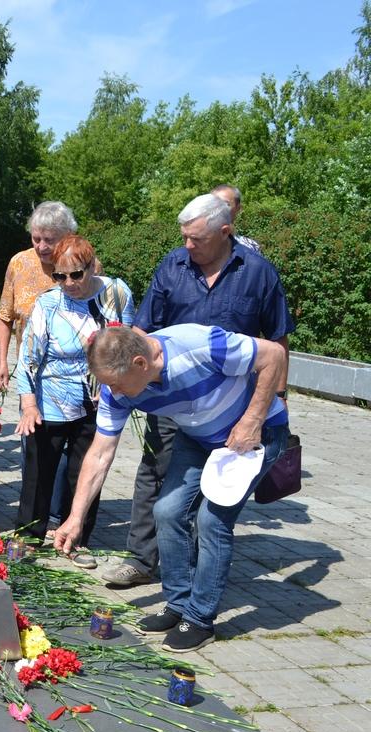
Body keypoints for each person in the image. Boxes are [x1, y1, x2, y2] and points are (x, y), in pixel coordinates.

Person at [53, 324, 290, 652]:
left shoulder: (200, 345)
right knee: (166, 511)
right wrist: (75, 517)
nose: (114, 394)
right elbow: (100, 452)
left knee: (211, 521)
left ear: (140, 363)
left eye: (117, 385)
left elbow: (274, 355)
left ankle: (200, 618)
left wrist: (252, 420)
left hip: (252, 439)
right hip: (197, 439)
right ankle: (178, 604)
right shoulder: (117, 387)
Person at [100, 193, 294, 588]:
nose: (187, 246)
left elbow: (277, 342)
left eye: (196, 239)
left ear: (226, 231)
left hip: (234, 407)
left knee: (210, 503)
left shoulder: (258, 273)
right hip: (166, 390)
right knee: (155, 477)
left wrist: (270, 405)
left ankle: (194, 574)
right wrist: (125, 376)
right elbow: (142, 328)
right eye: (184, 236)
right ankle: (142, 559)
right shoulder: (172, 266)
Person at [13, 235, 134, 565]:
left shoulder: (116, 294)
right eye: (59, 276)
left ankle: (75, 538)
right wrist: (28, 404)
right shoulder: (49, 303)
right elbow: (29, 358)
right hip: (50, 399)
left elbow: (127, 342)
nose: (68, 283)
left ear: (93, 266)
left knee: (85, 472)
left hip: (98, 401)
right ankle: (28, 536)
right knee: (39, 474)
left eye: (76, 275)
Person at [0, 200, 79, 527]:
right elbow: (4, 317)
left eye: (49, 240)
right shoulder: (19, 263)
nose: (42, 246)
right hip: (32, 377)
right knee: (36, 450)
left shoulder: (83, 264)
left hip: (73, 377)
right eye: (36, 238)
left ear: (68, 236)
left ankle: (63, 515)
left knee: (67, 454)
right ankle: (38, 517)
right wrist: (2, 361)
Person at [211, 184, 261, 252]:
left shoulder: (251, 248)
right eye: (213, 203)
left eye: (225, 204)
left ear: (238, 208)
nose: (218, 208)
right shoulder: (195, 244)